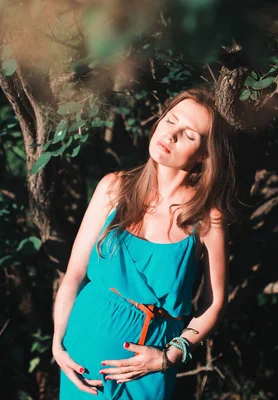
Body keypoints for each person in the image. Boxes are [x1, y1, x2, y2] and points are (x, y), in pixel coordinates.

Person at [52, 86, 238, 399]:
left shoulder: (207, 217)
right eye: (171, 121)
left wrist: (168, 357)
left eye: (189, 134)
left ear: (206, 155)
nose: (172, 134)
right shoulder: (113, 187)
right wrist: (58, 343)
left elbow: (214, 302)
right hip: (79, 356)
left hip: (145, 368)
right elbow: (73, 276)